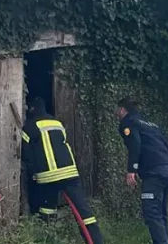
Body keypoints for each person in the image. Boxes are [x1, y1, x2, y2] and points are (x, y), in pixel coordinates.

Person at [21, 97, 104, 244]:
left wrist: (33, 173)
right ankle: (95, 240)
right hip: (70, 173)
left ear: (32, 109)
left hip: (48, 176)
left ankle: (48, 237)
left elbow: (26, 154)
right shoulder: (57, 124)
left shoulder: (29, 127)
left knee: (47, 208)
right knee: (83, 210)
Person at [116, 99, 168, 244]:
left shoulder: (128, 122)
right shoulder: (151, 125)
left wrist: (132, 169)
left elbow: (135, 143)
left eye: (117, 109)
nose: (116, 113)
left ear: (122, 110)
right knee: (160, 212)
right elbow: (167, 145)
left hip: (154, 172)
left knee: (151, 212)